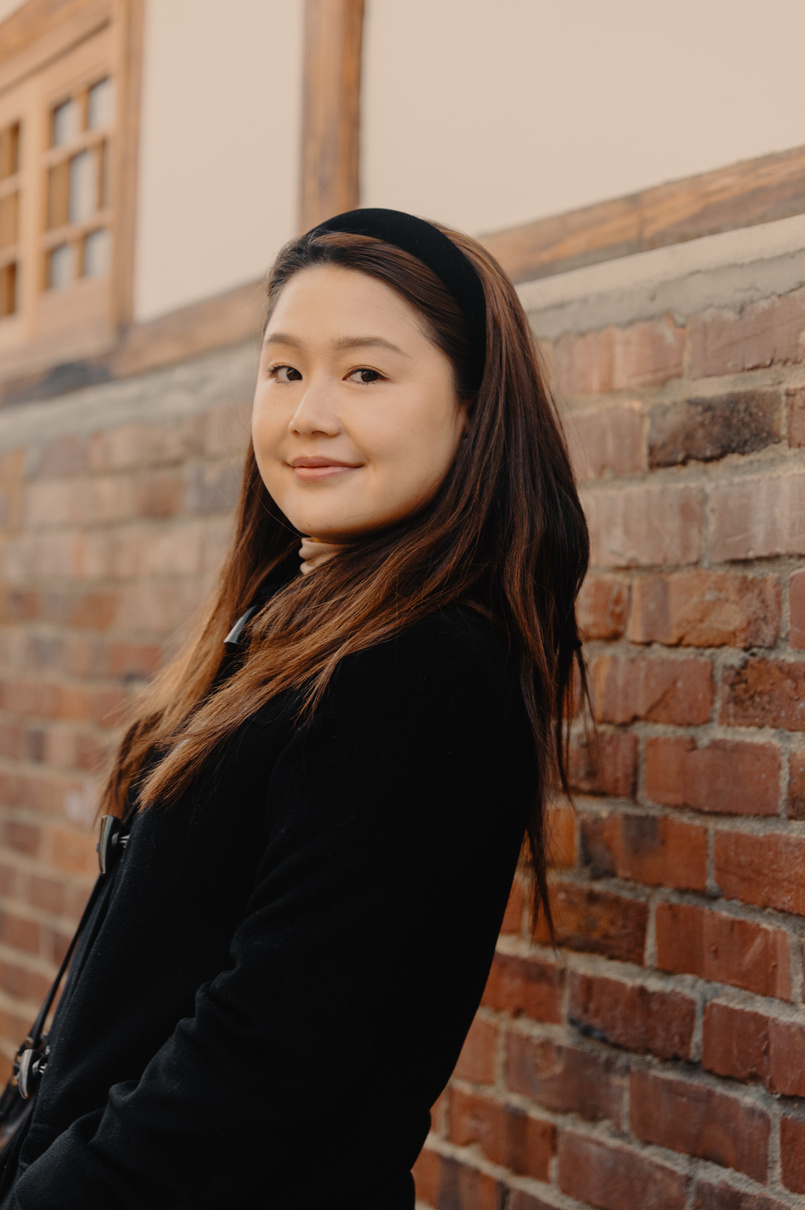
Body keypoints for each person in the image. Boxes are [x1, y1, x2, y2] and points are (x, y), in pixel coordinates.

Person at [0, 209, 588, 1209]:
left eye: (365, 373)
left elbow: (263, 1057)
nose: (310, 413)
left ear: (469, 405)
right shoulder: (294, 630)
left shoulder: (422, 673)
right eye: (284, 371)